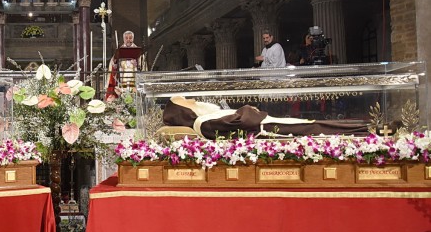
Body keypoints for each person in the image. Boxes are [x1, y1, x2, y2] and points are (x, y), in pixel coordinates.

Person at [162, 95, 369, 140]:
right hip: (266, 129)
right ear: (184, 110)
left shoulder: (206, 116)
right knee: (314, 128)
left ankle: (364, 130)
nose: (193, 100)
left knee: (312, 124)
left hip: (266, 123)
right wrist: (246, 108)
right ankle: (363, 133)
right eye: (187, 101)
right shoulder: (201, 122)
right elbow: (241, 122)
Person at [106, 31, 147, 97]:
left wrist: (137, 65)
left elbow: (143, 67)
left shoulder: (139, 53)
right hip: (123, 80)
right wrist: (115, 60)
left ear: (133, 39)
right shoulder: (119, 51)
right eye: (126, 38)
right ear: (124, 39)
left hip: (134, 81)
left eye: (130, 38)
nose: (128, 40)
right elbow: (113, 65)